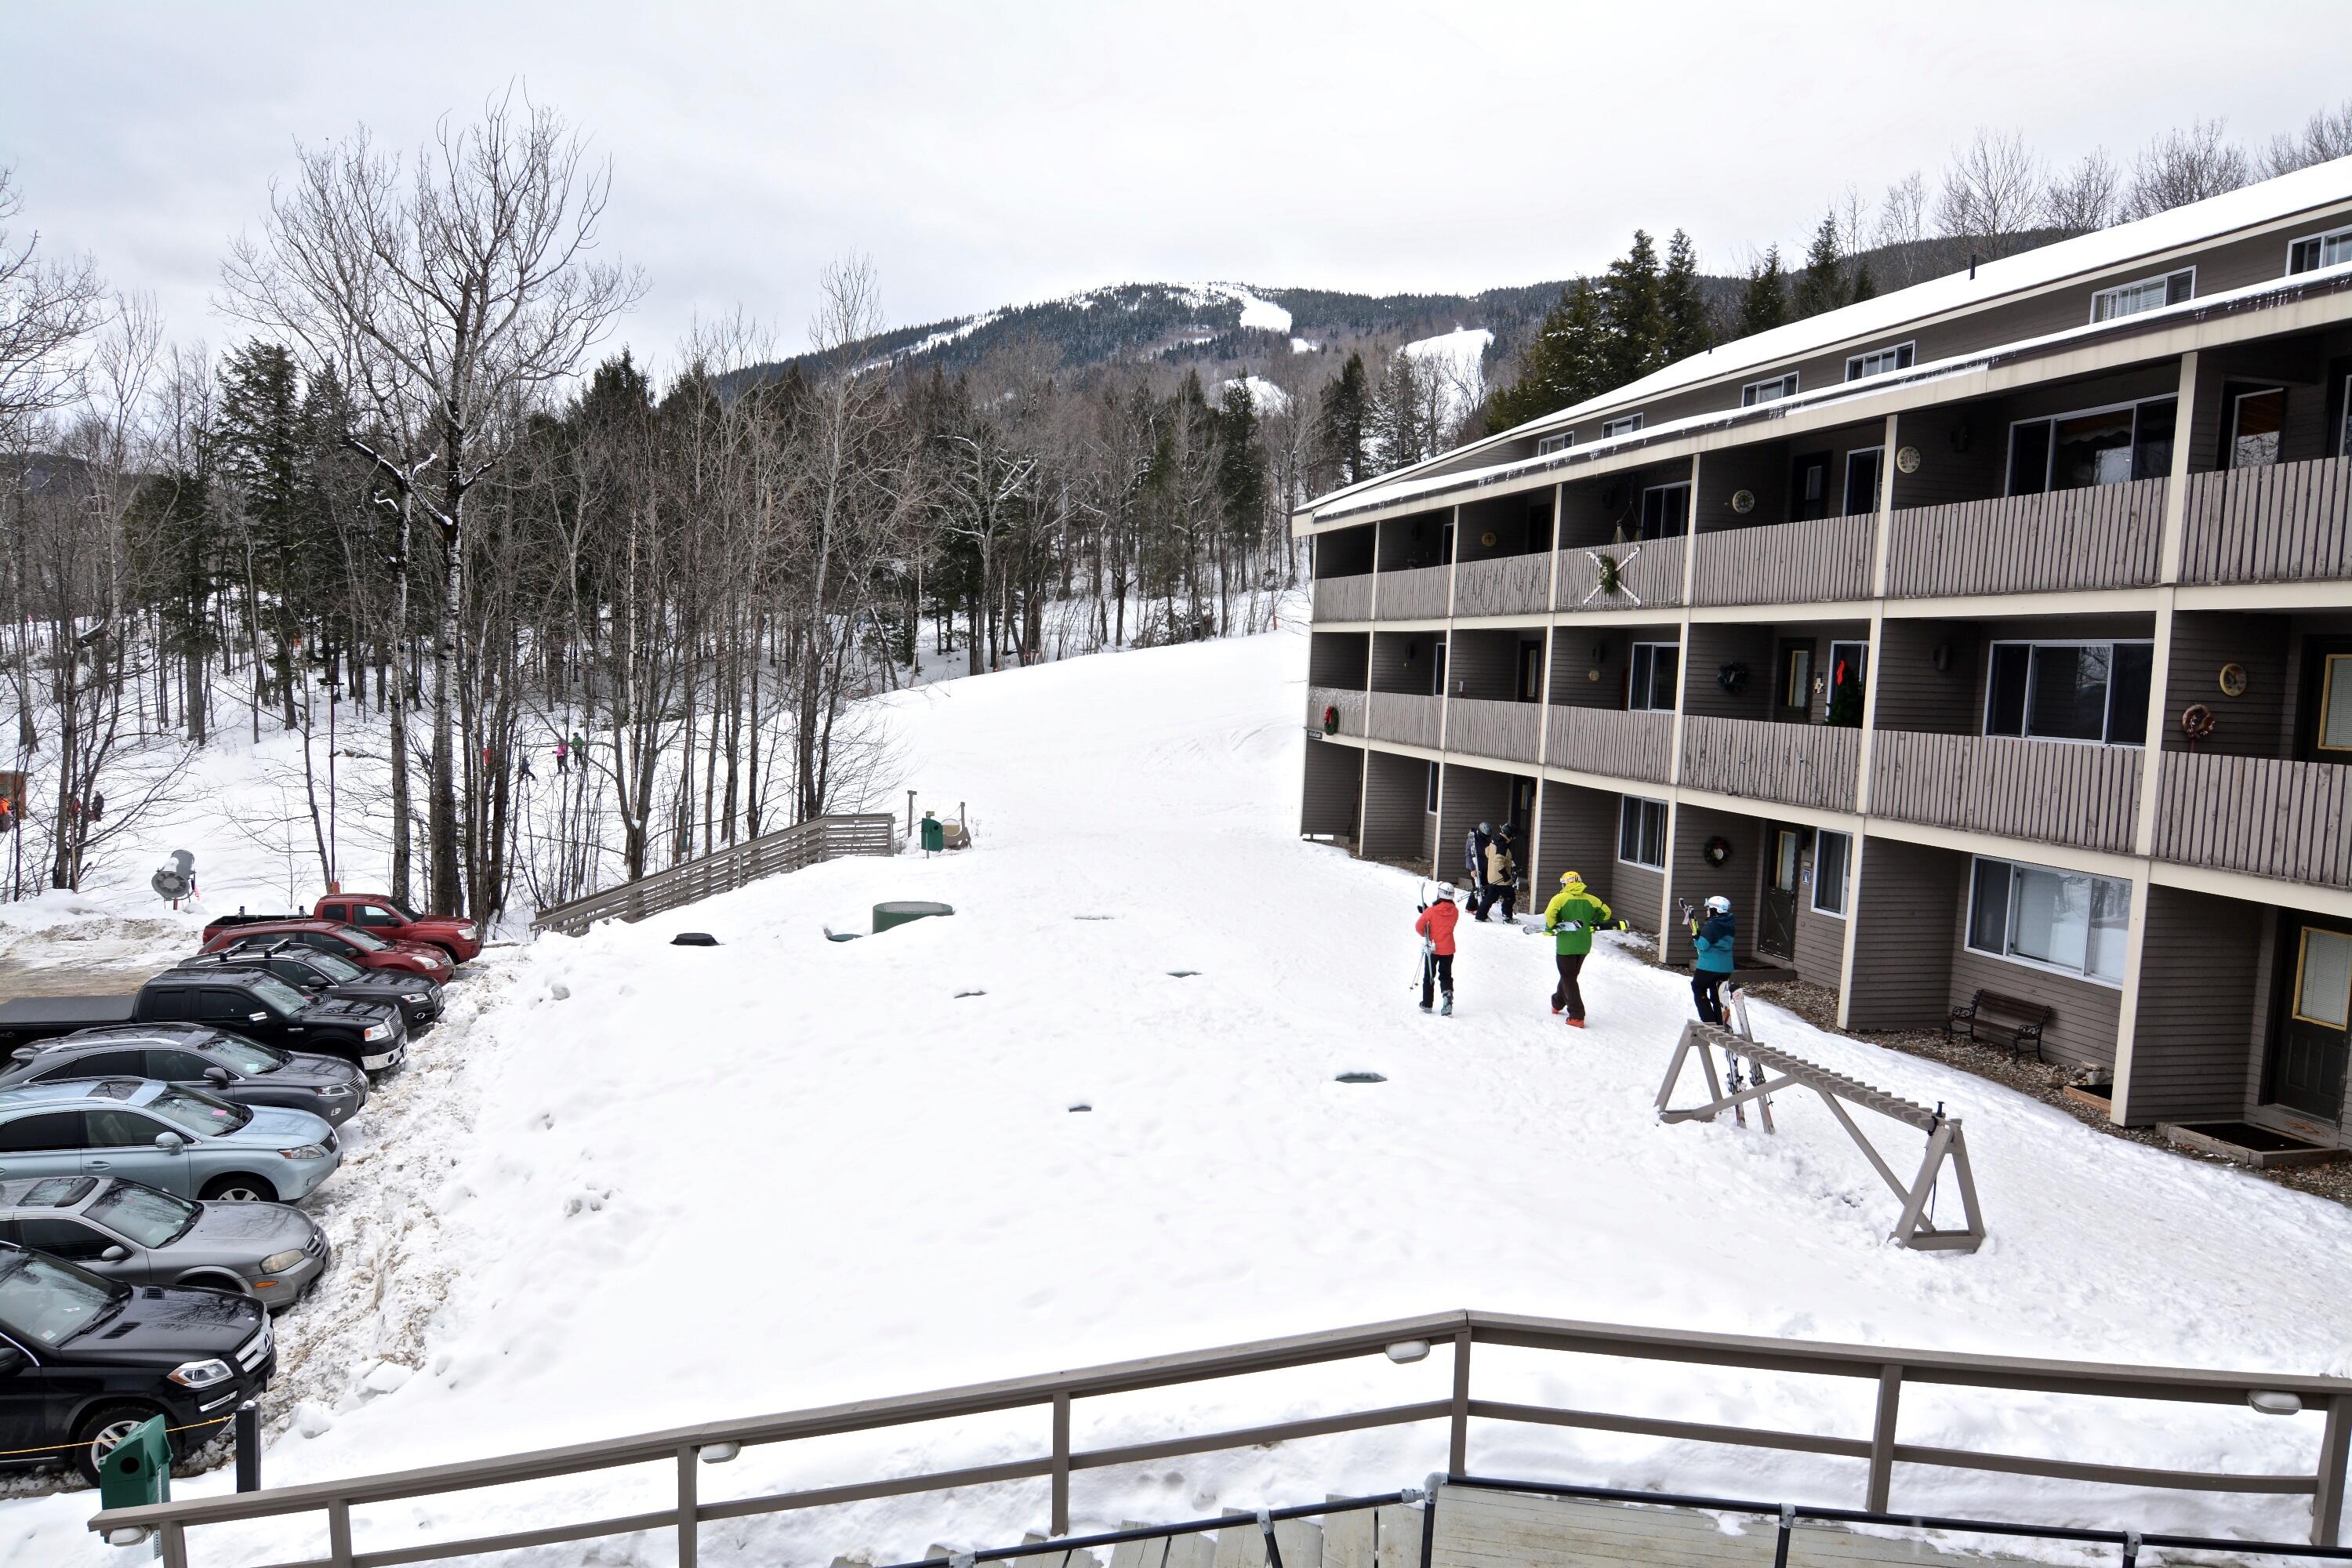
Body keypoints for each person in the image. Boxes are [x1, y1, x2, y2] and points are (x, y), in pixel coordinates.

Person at [1543, 870, 1622, 1028]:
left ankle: (1577, 1015)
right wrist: (1594, 922)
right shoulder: (1591, 899)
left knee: (1568, 977)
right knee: (1569, 976)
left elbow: (1550, 913)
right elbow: (1606, 912)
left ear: (1565, 883)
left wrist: (1552, 926)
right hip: (1584, 944)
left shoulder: (1560, 899)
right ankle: (1558, 1002)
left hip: (1566, 946)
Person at [1690, 895, 1737, 1025]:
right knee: (1718, 994)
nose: (1707, 911)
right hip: (1726, 967)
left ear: (1716, 910)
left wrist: (1696, 938)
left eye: (1709, 908)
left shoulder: (1712, 924)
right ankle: (1722, 1022)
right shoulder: (1730, 924)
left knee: (1698, 987)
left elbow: (1703, 945)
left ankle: (1709, 1021)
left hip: (1709, 966)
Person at [1415, 883, 1461, 1016]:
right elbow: (1442, 919)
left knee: (1429, 975)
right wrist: (1428, 911)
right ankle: (1447, 998)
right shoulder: (1455, 911)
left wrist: (1426, 933)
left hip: (1433, 949)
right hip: (1448, 949)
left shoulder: (1431, 912)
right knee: (1446, 975)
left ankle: (1427, 1004)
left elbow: (1419, 927)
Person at [1479, 822, 1519, 923]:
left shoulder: (1495, 840)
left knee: (1490, 897)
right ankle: (1507, 917)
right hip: (1501, 878)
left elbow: (1487, 852)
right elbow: (1498, 860)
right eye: (1513, 836)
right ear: (1509, 834)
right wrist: (1504, 873)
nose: (1513, 838)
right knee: (1510, 896)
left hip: (1492, 875)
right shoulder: (1502, 844)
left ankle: (1481, 916)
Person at [1463, 822, 1490, 902]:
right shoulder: (1472, 840)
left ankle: (1481, 907)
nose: (1487, 837)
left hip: (1484, 867)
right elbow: (1468, 855)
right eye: (1486, 836)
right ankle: (1471, 907)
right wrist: (1472, 869)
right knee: (1478, 887)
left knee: (1486, 887)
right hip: (1474, 867)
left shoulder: (1486, 840)